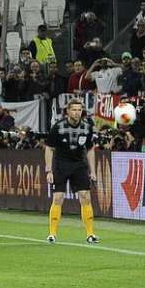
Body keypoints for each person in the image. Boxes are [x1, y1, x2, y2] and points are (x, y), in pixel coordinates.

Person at [45, 99, 99, 244]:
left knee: (85, 196)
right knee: (58, 198)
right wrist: (49, 170)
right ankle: (52, 233)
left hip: (79, 165)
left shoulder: (87, 127)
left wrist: (92, 171)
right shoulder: (58, 127)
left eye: (79, 109)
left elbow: (90, 149)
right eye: (74, 109)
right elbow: (49, 148)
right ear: (68, 111)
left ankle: (90, 234)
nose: (77, 112)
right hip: (61, 165)